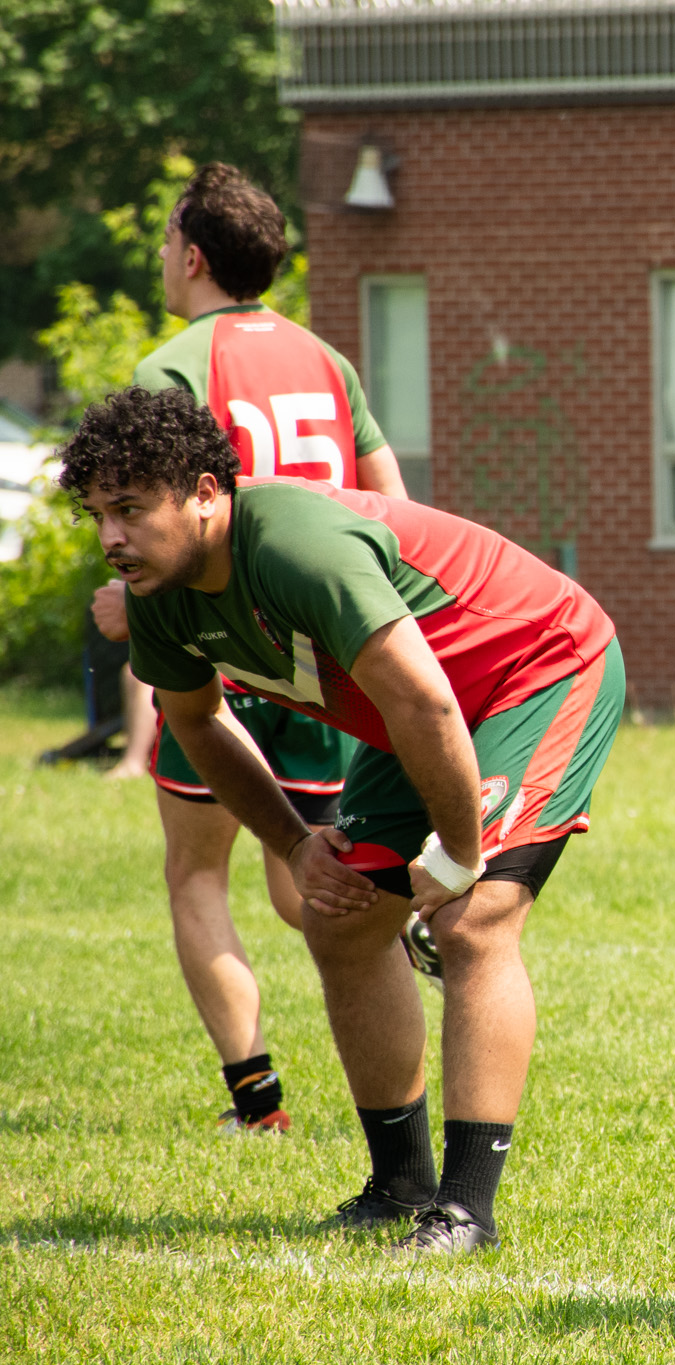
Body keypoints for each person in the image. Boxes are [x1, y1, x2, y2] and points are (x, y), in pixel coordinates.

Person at [61, 384, 624, 1254]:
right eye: (98, 514)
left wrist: (460, 855)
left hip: (535, 668)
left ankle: (466, 1212)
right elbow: (200, 721)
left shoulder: (295, 548)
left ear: (207, 492)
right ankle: (399, 1188)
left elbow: (430, 704)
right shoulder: (158, 596)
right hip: (418, 710)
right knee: (342, 919)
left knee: (474, 920)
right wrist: (294, 841)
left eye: (130, 509)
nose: (110, 537)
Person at [90, 162, 415, 1134]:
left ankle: (257, 1101)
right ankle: (411, 968)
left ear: (192, 255)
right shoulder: (326, 359)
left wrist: (126, 600)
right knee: (309, 879)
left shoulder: (172, 366)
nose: (159, 258)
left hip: (222, 640)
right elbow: (388, 499)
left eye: (162, 242)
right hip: (324, 646)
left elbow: (142, 517)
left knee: (197, 872)